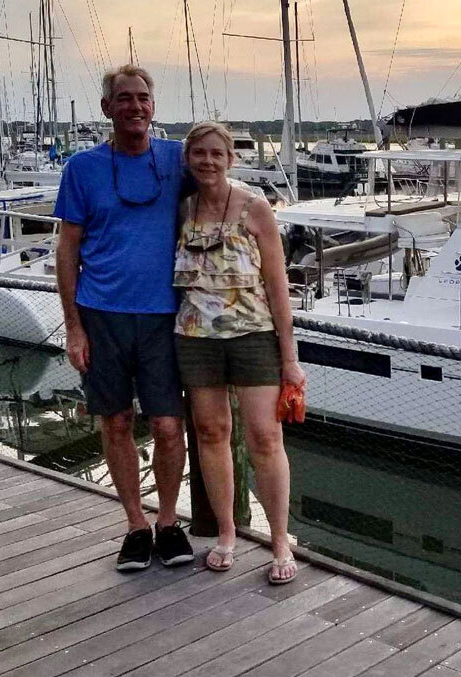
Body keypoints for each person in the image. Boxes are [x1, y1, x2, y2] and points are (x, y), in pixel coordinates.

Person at [55, 65, 193, 571]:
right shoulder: (82, 169)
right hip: (101, 314)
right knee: (115, 422)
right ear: (106, 108)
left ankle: (170, 521)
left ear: (153, 106)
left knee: (167, 425)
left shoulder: (178, 160)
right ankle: (136, 525)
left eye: (143, 98)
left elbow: (223, 195)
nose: (135, 106)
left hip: (164, 316)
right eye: (124, 98)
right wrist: (73, 326)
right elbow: (67, 250)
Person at [174, 121, 306, 584]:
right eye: (199, 153)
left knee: (265, 438)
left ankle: (279, 540)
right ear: (188, 158)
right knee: (211, 433)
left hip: (253, 335)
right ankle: (227, 533)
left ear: (231, 159)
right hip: (195, 337)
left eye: (217, 153)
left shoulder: (254, 206)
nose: (207, 161)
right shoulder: (183, 208)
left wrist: (289, 358)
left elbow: (277, 284)